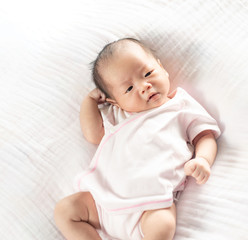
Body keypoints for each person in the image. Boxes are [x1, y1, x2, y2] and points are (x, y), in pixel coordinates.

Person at [54, 38, 221, 240]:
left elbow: (204, 135)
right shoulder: (118, 114)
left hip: (152, 205)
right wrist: (89, 102)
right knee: (65, 210)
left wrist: (203, 159)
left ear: (161, 67)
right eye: (129, 89)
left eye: (148, 73)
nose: (144, 86)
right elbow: (93, 134)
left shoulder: (179, 106)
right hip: (103, 202)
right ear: (115, 101)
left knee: (163, 226)